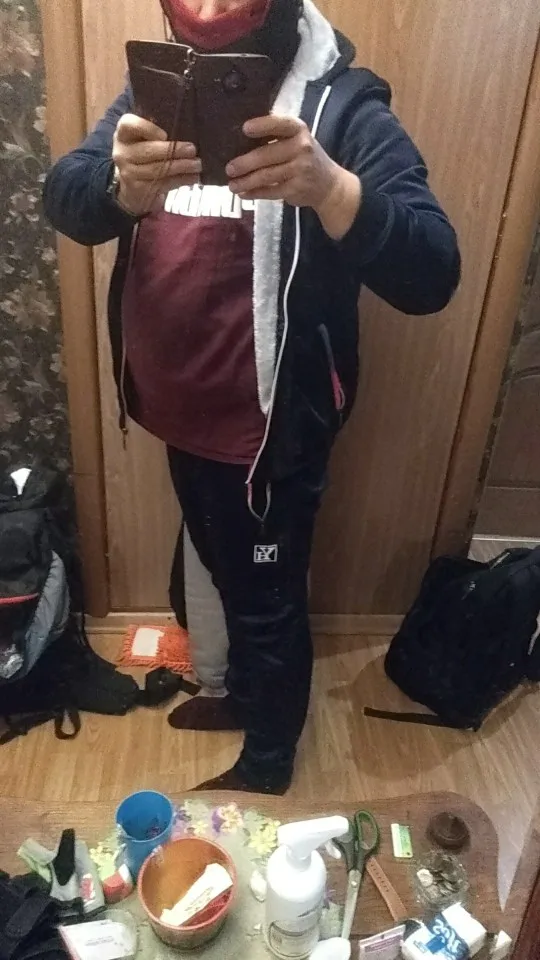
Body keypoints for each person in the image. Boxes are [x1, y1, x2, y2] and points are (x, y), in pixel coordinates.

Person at [44, 0, 461, 795]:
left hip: (272, 429)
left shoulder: (345, 106)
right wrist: (118, 186)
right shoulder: (160, 91)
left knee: (268, 601)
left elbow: (434, 269)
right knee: (220, 569)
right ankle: (241, 695)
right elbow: (66, 197)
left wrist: (331, 187)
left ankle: (269, 766)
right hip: (176, 409)